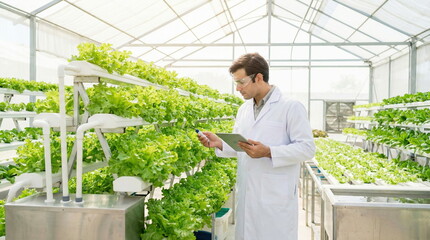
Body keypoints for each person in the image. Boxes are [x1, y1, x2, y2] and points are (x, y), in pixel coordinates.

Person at [197, 53, 315, 240]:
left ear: (258, 77)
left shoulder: (290, 107)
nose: (237, 88)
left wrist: (269, 152)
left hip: (275, 198)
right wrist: (219, 143)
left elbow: (307, 148)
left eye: (241, 82)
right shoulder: (243, 110)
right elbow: (242, 146)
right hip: (247, 193)